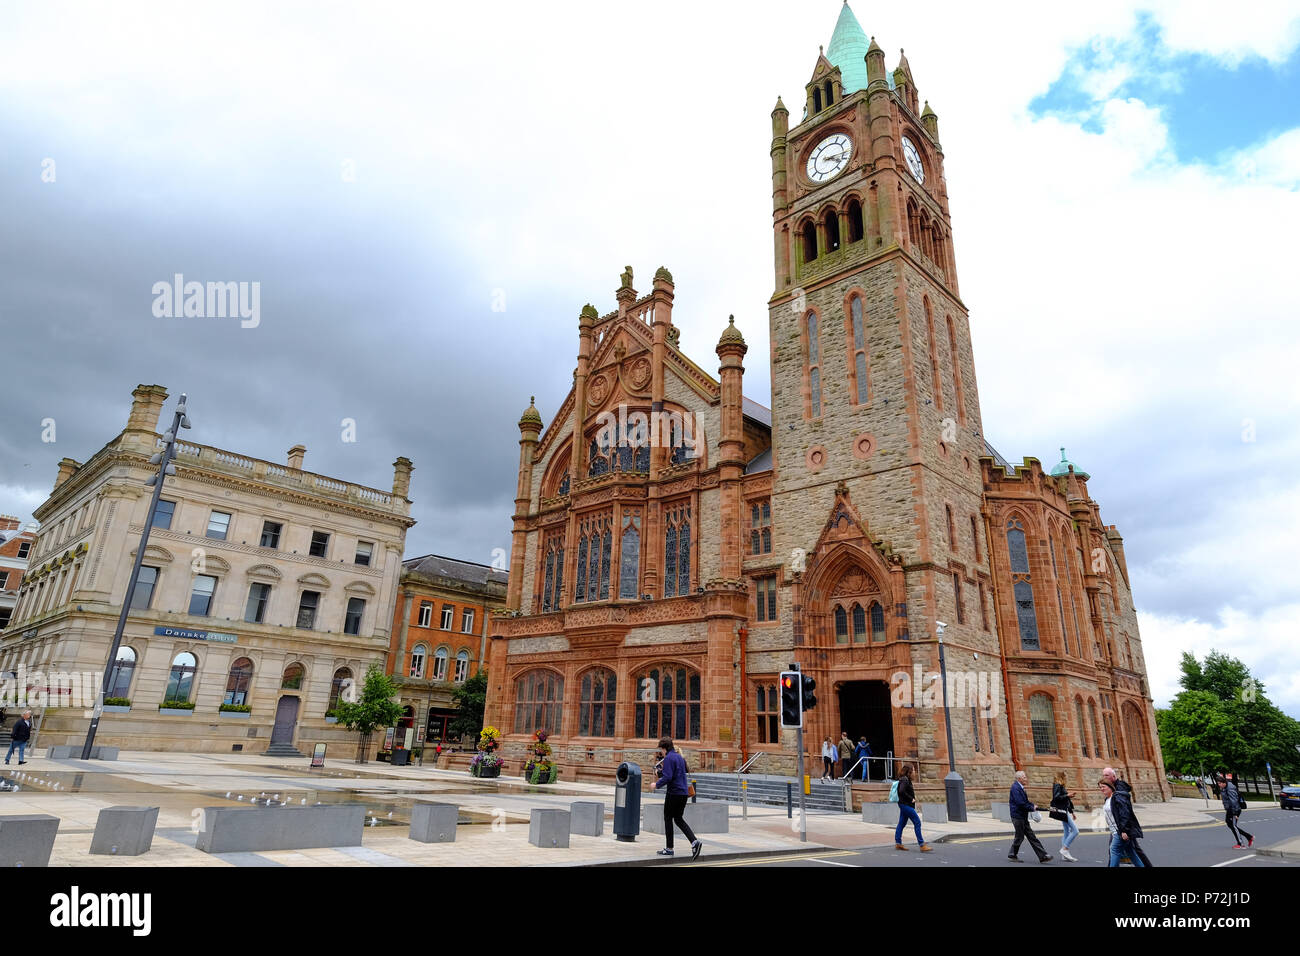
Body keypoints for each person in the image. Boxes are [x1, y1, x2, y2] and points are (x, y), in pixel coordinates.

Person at [650, 735, 701, 859]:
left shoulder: (668, 758)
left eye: (661, 749)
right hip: (683, 793)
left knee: (668, 818)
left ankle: (669, 848)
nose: (661, 752)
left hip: (673, 793)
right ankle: (694, 842)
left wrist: (656, 784)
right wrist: (660, 772)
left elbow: (668, 777)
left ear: (664, 748)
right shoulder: (679, 757)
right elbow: (674, 773)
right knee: (678, 819)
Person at [1103, 767, 1152, 866]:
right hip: (1119, 826)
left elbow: (1123, 812)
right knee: (1132, 850)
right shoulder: (1113, 787)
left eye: (1107, 775)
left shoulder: (1119, 788)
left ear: (1113, 776)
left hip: (1122, 826)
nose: (1105, 777)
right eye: (1103, 775)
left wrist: (1124, 830)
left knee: (1114, 850)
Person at [1007, 770, 1052, 863]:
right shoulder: (1015, 788)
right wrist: (1031, 807)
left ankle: (1043, 856)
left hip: (1022, 815)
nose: (1026, 779)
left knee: (1030, 836)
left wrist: (1033, 805)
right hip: (1017, 816)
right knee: (1020, 837)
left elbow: (1025, 801)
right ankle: (1012, 854)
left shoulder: (1020, 787)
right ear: (1019, 779)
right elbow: (1020, 803)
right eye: (1024, 777)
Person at [893, 764, 933, 852]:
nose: (915, 772)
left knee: (902, 823)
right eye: (913, 770)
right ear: (909, 771)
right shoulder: (904, 780)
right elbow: (901, 791)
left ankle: (898, 843)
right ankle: (922, 845)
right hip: (905, 805)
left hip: (904, 804)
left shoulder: (905, 779)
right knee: (917, 822)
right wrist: (911, 799)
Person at [1050, 771, 1079, 862]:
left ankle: (1064, 855)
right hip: (1062, 811)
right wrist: (1067, 795)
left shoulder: (1060, 786)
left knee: (1067, 831)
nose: (1066, 778)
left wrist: (1071, 812)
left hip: (1065, 810)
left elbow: (1066, 800)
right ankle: (1064, 849)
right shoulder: (1057, 785)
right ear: (1061, 777)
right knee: (1075, 831)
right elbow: (1056, 798)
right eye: (1065, 776)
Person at [1219, 774, 1253, 849]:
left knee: (1233, 826)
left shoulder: (1230, 788)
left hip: (1235, 809)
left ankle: (1241, 844)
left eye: (1220, 783)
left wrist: (1235, 813)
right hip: (1229, 809)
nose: (1219, 785)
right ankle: (1249, 837)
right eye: (1218, 783)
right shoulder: (1224, 788)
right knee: (1230, 824)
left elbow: (1234, 801)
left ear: (1224, 783)